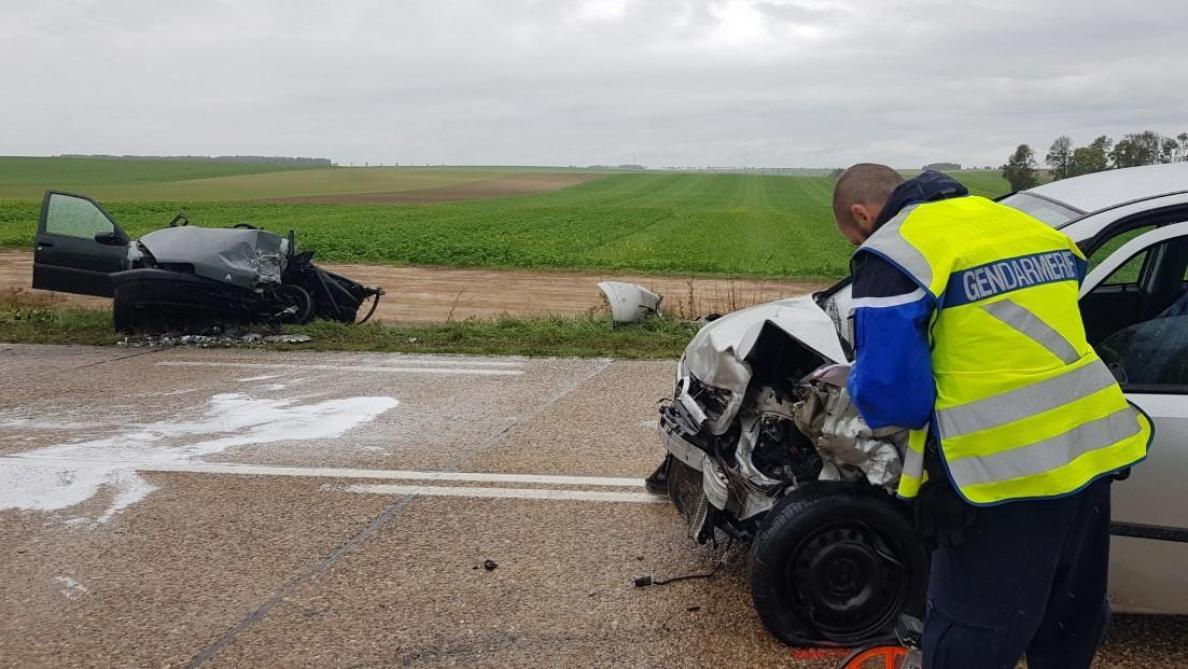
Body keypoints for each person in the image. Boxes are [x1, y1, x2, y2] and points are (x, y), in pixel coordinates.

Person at [833, 164, 1152, 668]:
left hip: (999, 480)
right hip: (1089, 452)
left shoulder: (897, 249)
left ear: (862, 215)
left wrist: (853, 378)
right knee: (1067, 624)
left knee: (971, 636)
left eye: (853, 233)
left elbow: (893, 396)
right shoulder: (1024, 226)